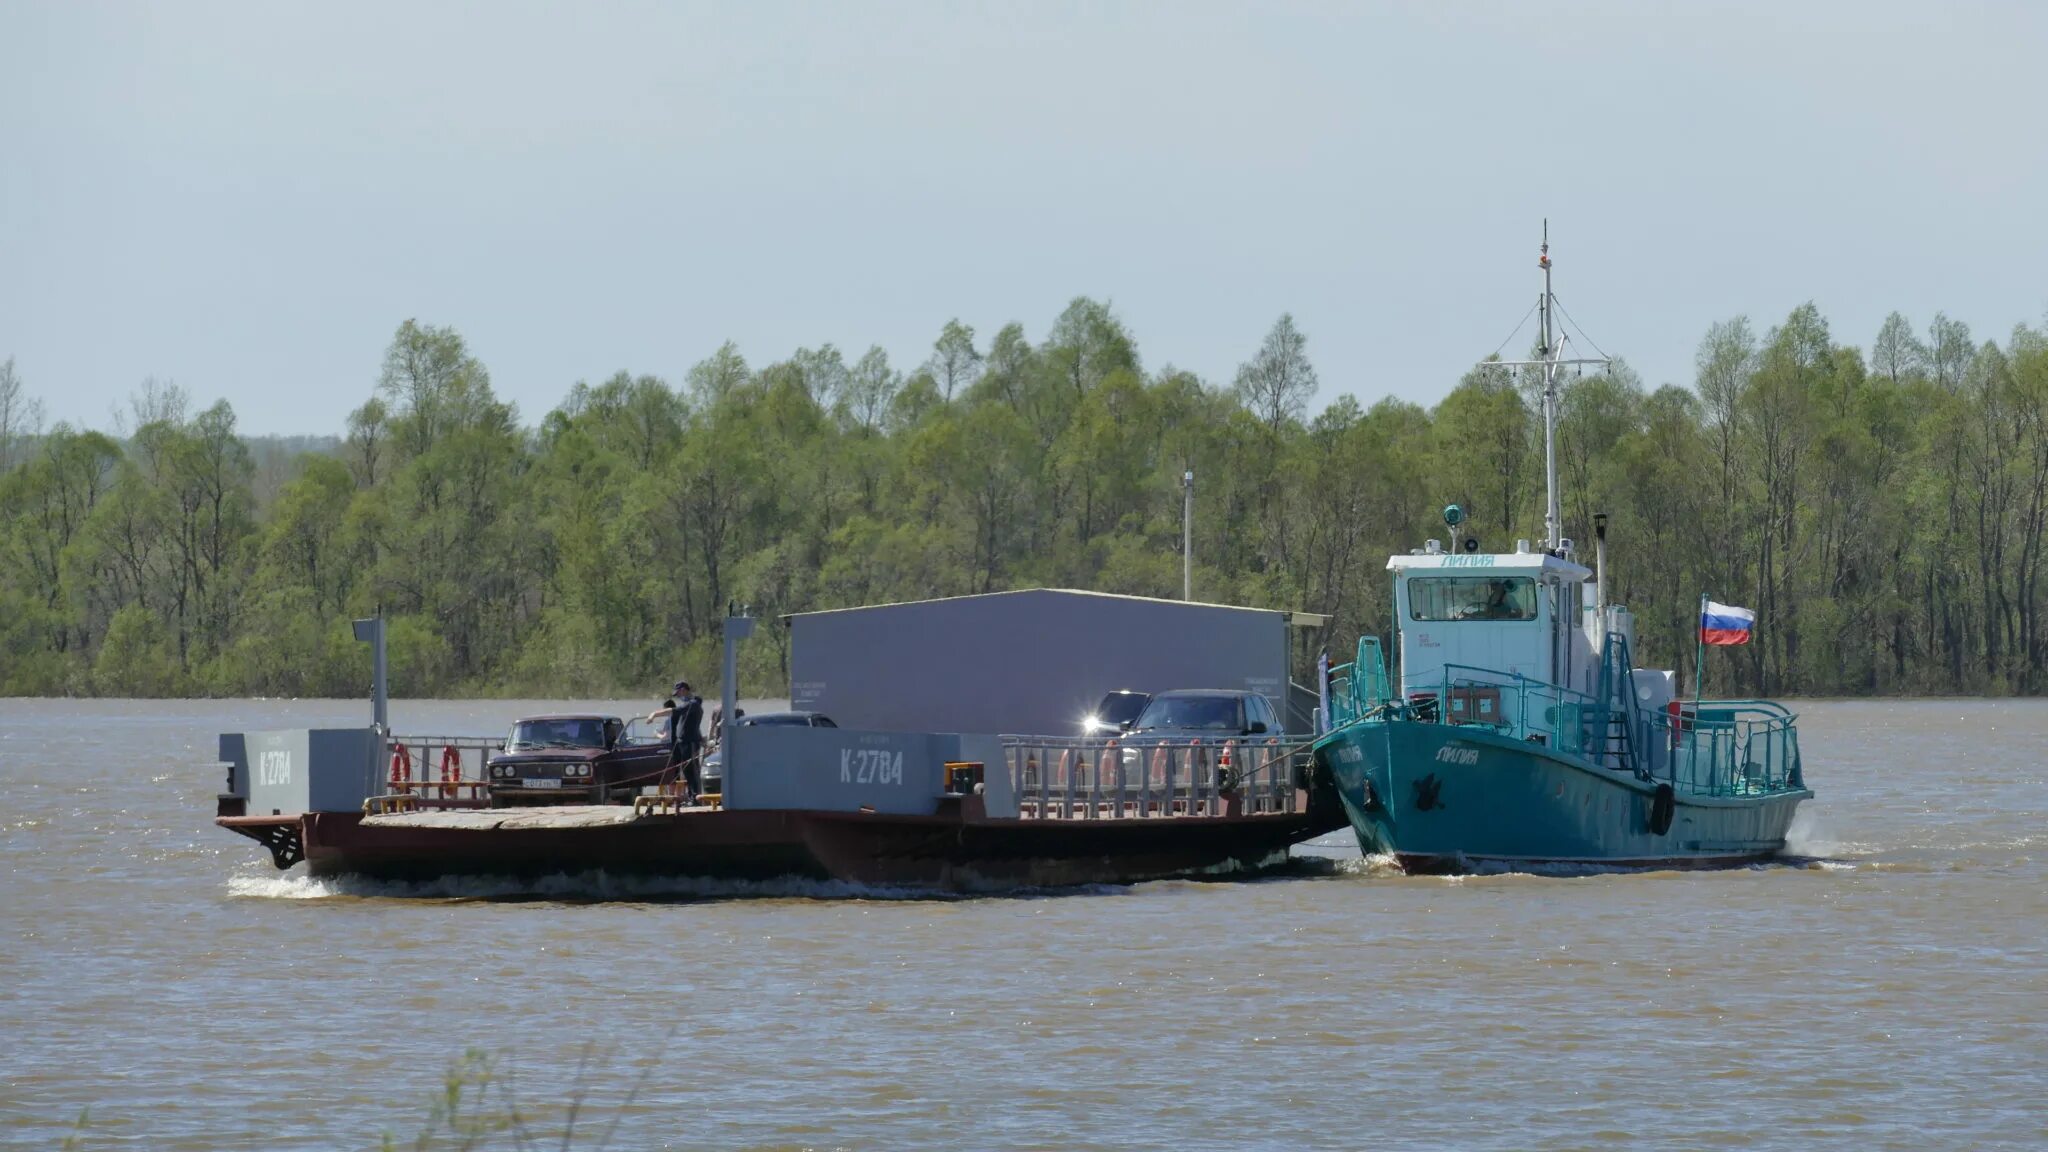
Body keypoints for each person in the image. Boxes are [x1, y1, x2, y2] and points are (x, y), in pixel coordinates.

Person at [668, 680, 706, 797]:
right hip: (684, 742)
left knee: (692, 771)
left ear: (683, 690)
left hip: (690, 742)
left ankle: (695, 797)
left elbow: (675, 711)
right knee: (687, 771)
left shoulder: (692, 704)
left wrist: (654, 715)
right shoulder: (688, 705)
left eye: (678, 693)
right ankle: (692, 796)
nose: (678, 696)